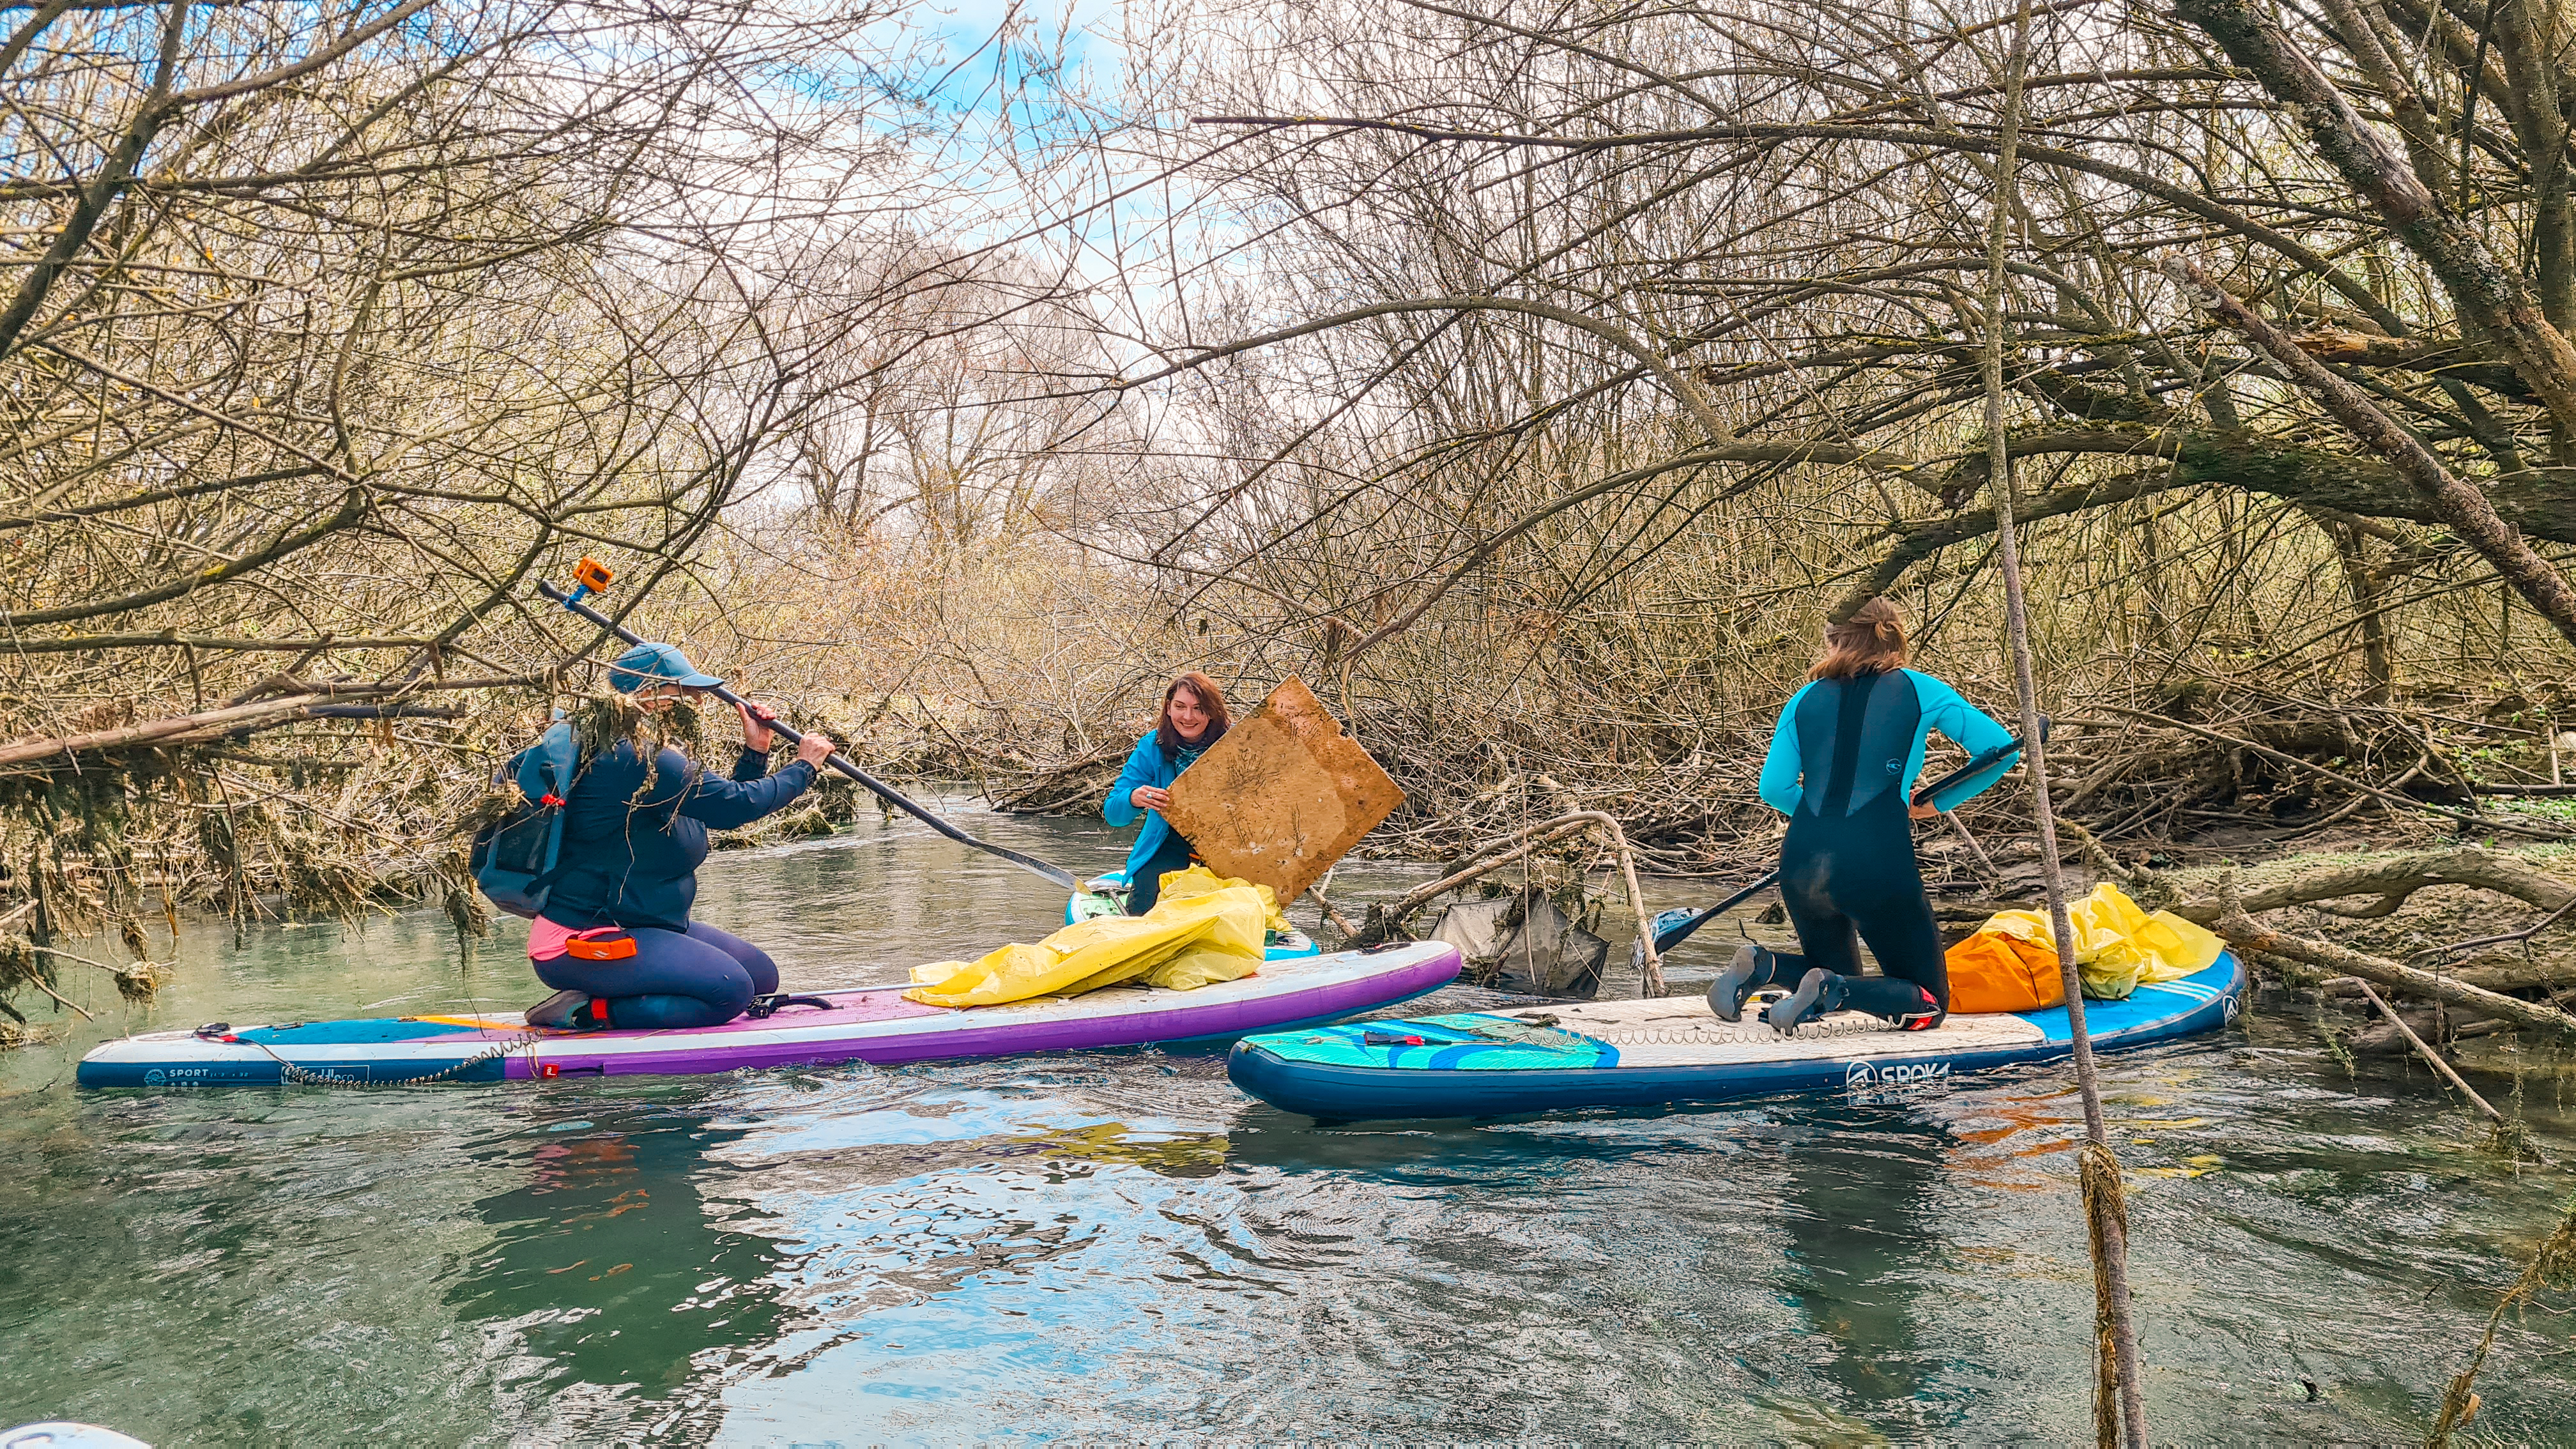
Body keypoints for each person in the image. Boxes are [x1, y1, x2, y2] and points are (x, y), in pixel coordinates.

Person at [1713, 597, 2019, 1035]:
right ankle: (1826, 988)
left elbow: (1774, 788)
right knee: (1928, 1004)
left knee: (1834, 970)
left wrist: (1826, 823)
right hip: (1877, 859)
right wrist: (1936, 803)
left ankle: (1765, 965)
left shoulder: (1803, 699)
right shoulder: (1921, 689)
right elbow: (2000, 751)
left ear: (1833, 642)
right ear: (1896, 637)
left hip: (1802, 861)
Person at [523, 640, 836, 1031]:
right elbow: (733, 806)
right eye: (685, 693)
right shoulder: (635, 759)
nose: (698, 703)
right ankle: (585, 1012)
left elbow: (716, 809)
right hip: (585, 938)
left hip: (646, 922)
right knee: (731, 992)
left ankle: (615, 994)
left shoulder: (652, 756)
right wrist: (804, 766)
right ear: (650, 697)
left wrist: (755, 752)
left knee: (761, 978)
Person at [1102, 671, 1231, 915]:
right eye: (1180, 707)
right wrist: (1132, 798)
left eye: (1198, 708)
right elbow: (1113, 814)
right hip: (1168, 841)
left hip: (1229, 844)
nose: (1188, 717)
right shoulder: (1152, 746)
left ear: (1212, 711)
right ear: (1169, 708)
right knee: (1146, 899)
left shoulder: (1238, 741)